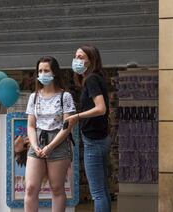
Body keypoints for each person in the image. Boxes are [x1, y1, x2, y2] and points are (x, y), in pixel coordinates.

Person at [24, 56, 76, 212]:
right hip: (37, 141)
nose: (42, 74)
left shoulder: (64, 96)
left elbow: (67, 126)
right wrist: (34, 145)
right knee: (31, 187)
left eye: (46, 70)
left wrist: (51, 146)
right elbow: (31, 125)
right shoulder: (34, 97)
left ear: (54, 73)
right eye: (40, 71)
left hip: (58, 142)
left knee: (57, 187)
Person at [65, 45, 111, 212]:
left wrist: (77, 117)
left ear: (91, 61)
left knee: (97, 192)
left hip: (94, 141)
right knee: (103, 189)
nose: (77, 60)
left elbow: (101, 108)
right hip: (101, 138)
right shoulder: (95, 78)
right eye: (76, 56)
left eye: (81, 57)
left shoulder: (91, 79)